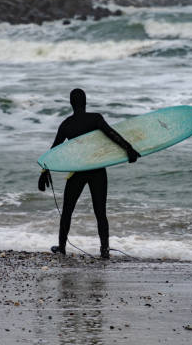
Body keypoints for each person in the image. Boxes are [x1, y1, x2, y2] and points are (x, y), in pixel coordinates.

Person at [38, 88, 140, 259]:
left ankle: (62, 247)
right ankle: (104, 250)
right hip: (97, 169)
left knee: (67, 210)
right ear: (85, 101)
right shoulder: (95, 118)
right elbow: (112, 134)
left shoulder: (66, 124)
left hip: (78, 171)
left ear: (71, 103)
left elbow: (54, 151)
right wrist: (129, 149)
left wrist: (44, 170)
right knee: (100, 212)